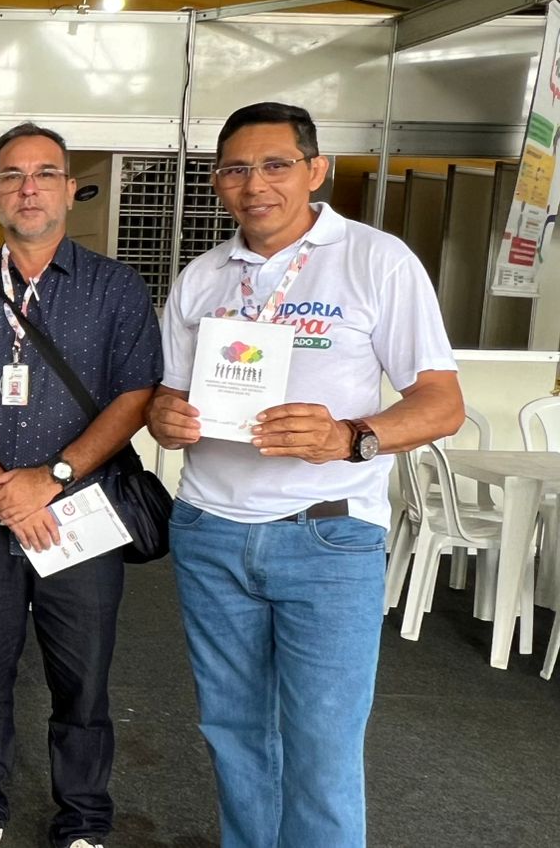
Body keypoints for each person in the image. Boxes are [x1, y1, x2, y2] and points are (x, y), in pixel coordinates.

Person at [146, 102, 464, 848]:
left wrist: (351, 437)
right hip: (210, 530)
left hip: (326, 537)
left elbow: (441, 403)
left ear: (316, 170)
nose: (255, 184)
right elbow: (167, 393)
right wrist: (166, 417)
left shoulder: (375, 261)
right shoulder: (201, 278)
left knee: (322, 745)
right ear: (218, 183)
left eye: (275, 164)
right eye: (235, 169)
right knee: (233, 733)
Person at [0, 123, 163, 848]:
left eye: (44, 173)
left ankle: (86, 821)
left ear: (69, 188)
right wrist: (4, 488)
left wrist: (53, 479)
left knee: (83, 682)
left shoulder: (116, 287)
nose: (27, 188)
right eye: (11, 175)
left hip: (81, 516)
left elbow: (136, 396)